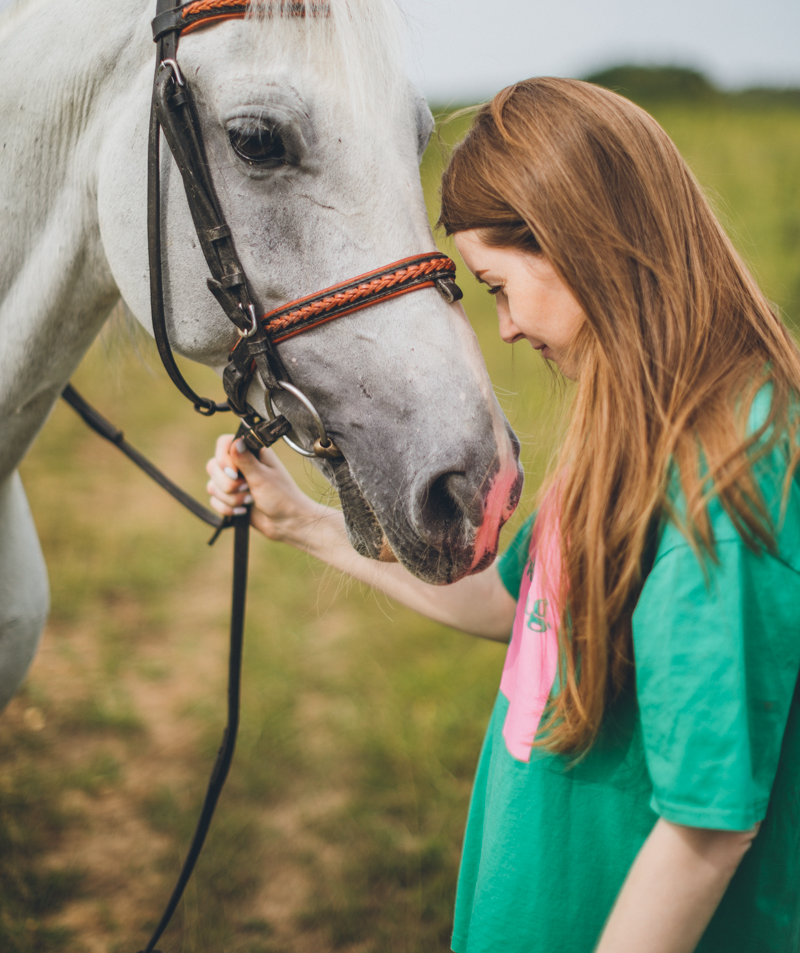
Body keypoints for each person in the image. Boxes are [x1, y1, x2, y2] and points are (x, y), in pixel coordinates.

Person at [206, 78, 800, 953]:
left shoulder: (731, 472)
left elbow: (705, 829)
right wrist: (302, 522)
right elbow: (521, 612)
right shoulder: (639, 425)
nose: (509, 329)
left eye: (496, 286)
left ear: (582, 244)